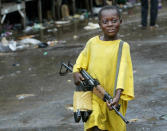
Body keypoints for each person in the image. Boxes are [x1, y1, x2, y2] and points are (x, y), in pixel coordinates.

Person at [73, 5, 134, 131]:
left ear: (120, 22)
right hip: (93, 93)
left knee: (113, 126)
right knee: (93, 123)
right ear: (99, 24)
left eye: (114, 21)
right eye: (105, 22)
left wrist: (117, 96)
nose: (110, 24)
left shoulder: (123, 46)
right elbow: (81, 61)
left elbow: (123, 72)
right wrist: (75, 72)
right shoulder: (92, 43)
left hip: (112, 97)